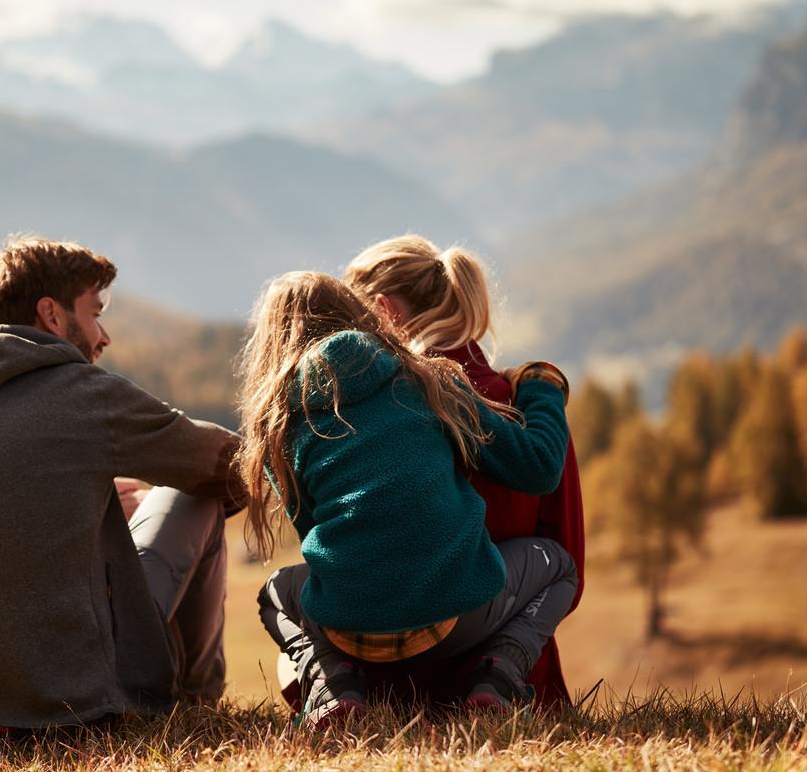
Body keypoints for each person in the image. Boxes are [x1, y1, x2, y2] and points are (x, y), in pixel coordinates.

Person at [0, 235, 241, 738]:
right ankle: (193, 701)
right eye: (95, 312)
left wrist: (96, 508)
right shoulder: (87, 394)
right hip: (56, 704)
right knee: (195, 495)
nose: (104, 336)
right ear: (52, 315)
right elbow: (228, 463)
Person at [241, 272, 575, 725]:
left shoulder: (278, 422)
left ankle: (331, 688)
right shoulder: (425, 379)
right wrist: (541, 385)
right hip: (458, 618)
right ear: (358, 312)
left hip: (349, 630)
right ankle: (499, 676)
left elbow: (314, 540)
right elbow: (538, 466)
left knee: (275, 592)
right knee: (558, 564)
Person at [344, 234, 586, 707]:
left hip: (387, 686)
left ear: (384, 311)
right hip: (514, 689)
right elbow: (568, 557)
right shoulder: (527, 406)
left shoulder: (373, 410)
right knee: (558, 563)